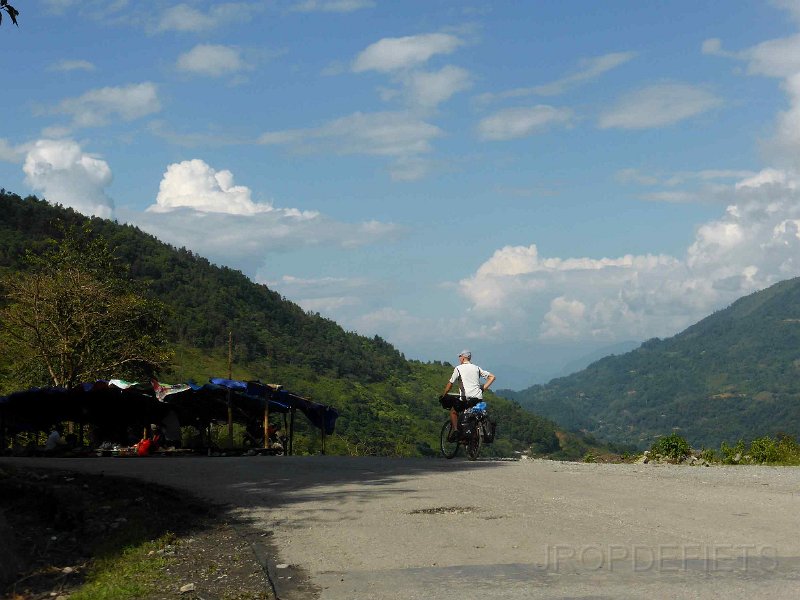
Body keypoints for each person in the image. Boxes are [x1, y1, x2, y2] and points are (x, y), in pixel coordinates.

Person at [441, 350, 495, 441]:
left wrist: (444, 394)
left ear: (463, 358)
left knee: (454, 411)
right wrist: (483, 389)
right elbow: (492, 377)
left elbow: (450, 384)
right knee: (471, 415)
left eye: (459, 357)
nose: (459, 359)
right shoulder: (477, 368)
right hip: (478, 398)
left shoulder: (458, 368)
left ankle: (455, 431)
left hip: (466, 399)